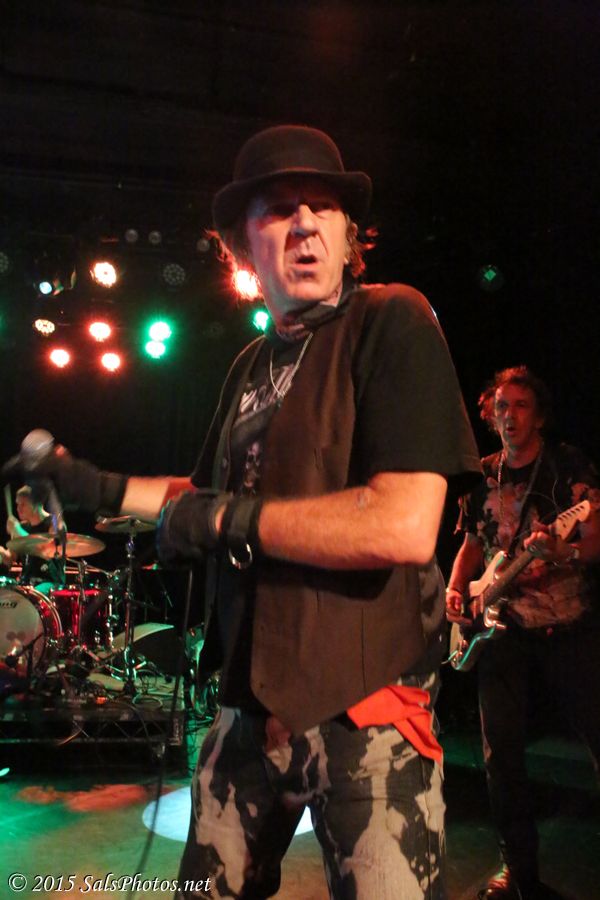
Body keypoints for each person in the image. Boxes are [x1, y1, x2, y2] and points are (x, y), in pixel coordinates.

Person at [5, 125, 481, 899]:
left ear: (349, 235)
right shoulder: (250, 365)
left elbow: (402, 523)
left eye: (323, 207)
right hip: (249, 706)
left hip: (366, 709)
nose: (305, 224)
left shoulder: (391, 318)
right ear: (238, 246)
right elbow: (203, 498)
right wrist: (93, 484)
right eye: (279, 209)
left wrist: (230, 521)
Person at [446, 365, 600, 900]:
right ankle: (519, 873)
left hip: (566, 625)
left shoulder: (567, 466)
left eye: (521, 405)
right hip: (501, 629)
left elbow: (595, 537)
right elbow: (472, 543)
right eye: (501, 407)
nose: (509, 415)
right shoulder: (481, 474)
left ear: (539, 415)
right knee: (501, 758)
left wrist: (563, 551)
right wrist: (456, 588)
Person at [0, 484, 64, 590]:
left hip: (50, 582)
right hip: (26, 583)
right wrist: (2, 552)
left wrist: (17, 530)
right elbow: (10, 559)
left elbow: (43, 549)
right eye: (17, 504)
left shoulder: (54, 523)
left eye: (23, 504)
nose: (18, 509)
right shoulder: (22, 526)